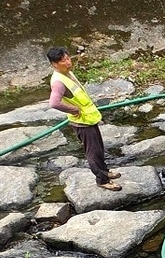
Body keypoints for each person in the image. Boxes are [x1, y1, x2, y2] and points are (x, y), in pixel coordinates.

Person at [47, 47, 120, 192]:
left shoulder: (67, 73)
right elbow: (54, 102)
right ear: (54, 64)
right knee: (93, 152)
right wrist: (74, 110)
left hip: (88, 118)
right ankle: (102, 180)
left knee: (99, 149)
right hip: (81, 122)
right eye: (63, 61)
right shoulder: (58, 82)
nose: (68, 62)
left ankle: (105, 171)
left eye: (68, 58)